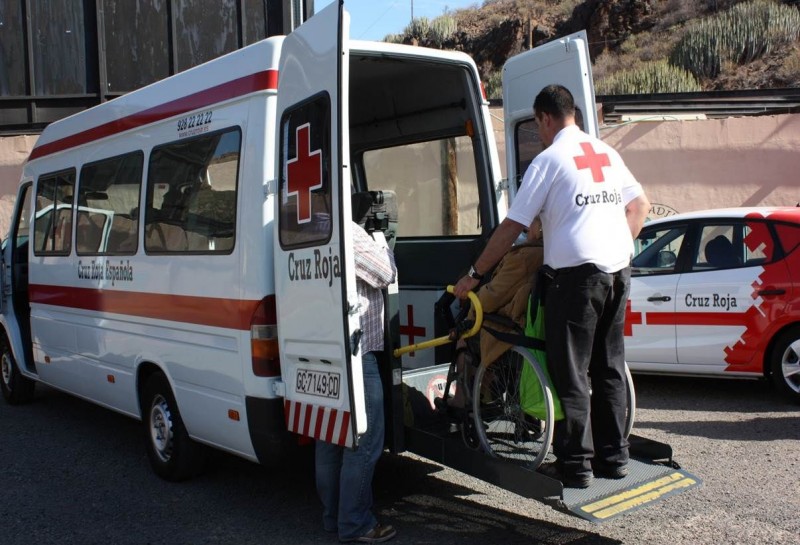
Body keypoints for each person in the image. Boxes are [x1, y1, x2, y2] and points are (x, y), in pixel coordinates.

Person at [454, 84, 650, 489]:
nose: (538, 134)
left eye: (537, 126)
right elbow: (640, 206)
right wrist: (616, 247)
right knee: (609, 367)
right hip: (618, 271)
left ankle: (575, 464)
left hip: (575, 280)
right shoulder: (605, 153)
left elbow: (513, 225)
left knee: (570, 370)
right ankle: (614, 458)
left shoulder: (549, 159)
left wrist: (474, 273)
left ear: (544, 118)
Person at [315, 221, 398, 543]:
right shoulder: (346, 230)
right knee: (364, 441)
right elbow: (385, 274)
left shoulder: (305, 229)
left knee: (329, 438)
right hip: (357, 351)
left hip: (322, 348)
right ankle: (356, 523)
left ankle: (332, 517)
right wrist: (383, 244)